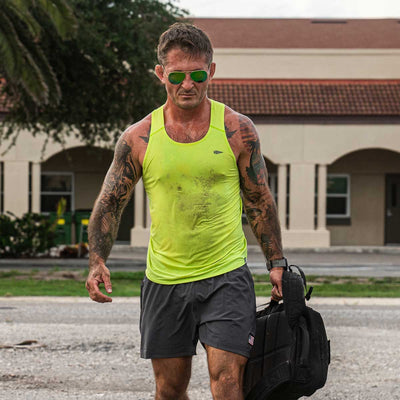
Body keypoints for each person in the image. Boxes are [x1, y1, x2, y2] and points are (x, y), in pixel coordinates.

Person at [85, 22, 286, 400]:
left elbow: (258, 199)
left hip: (225, 276)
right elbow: (111, 201)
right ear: (161, 74)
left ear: (211, 71)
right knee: (170, 389)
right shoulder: (139, 137)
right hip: (164, 280)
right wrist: (98, 260)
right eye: (177, 75)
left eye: (197, 74)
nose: (188, 84)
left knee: (227, 381)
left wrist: (276, 262)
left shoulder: (237, 130)